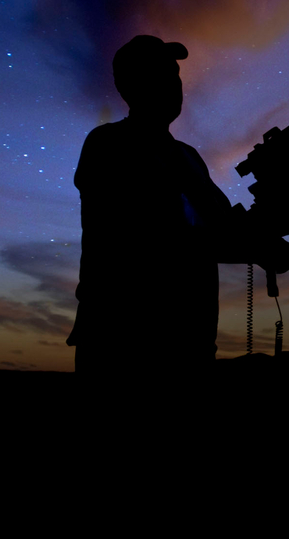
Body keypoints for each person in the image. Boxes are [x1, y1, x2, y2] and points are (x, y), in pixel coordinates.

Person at [68, 35, 266, 379]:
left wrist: (259, 235)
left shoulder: (188, 156)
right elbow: (155, 235)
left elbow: (222, 225)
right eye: (162, 72)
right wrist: (253, 246)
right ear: (132, 84)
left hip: (190, 347)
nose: (175, 83)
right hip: (122, 347)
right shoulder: (108, 145)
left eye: (175, 74)